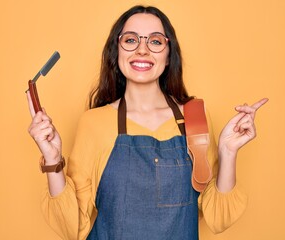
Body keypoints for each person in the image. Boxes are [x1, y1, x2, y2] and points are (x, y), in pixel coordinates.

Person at [27, 5, 268, 240]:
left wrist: (228, 153)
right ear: (117, 52)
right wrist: (52, 160)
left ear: (168, 55)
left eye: (155, 41)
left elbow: (217, 217)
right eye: (131, 40)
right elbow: (73, 227)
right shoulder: (94, 123)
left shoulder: (195, 117)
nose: (142, 50)